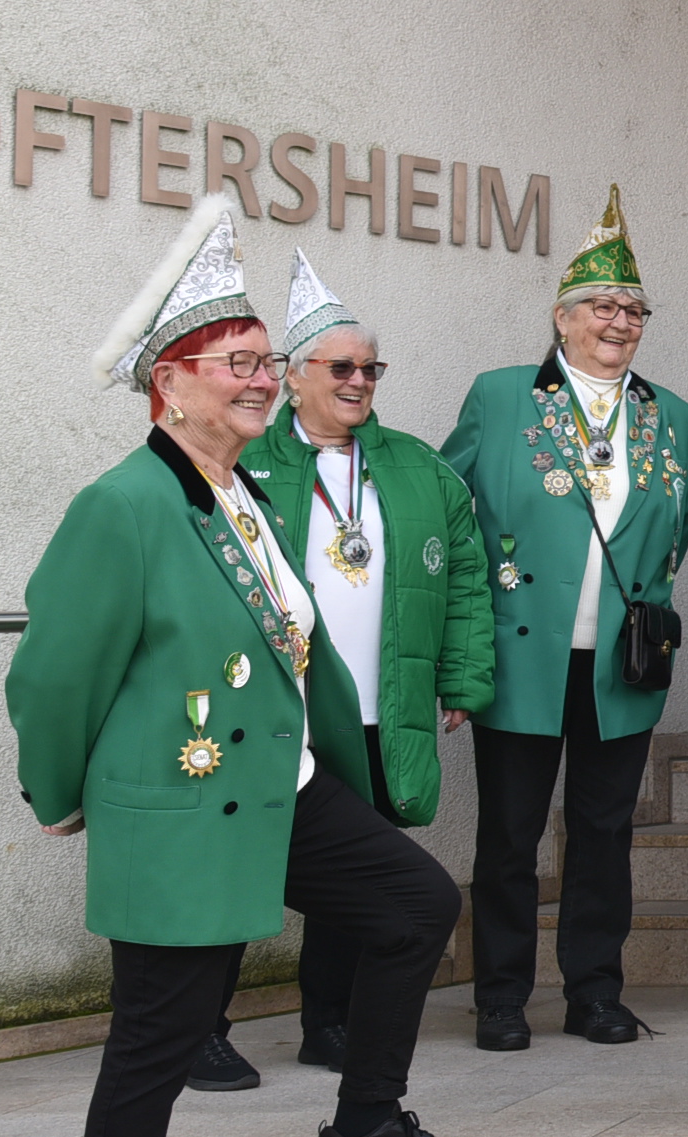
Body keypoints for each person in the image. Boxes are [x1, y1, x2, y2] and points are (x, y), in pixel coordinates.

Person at [13, 195, 478, 1137]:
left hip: (282, 788)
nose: (263, 379)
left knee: (415, 903)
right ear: (170, 383)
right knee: (156, 1042)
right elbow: (52, 675)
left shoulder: (243, 491)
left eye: (268, 360)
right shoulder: (124, 505)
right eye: (239, 362)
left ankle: (363, 1125)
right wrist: (58, 792)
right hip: (182, 808)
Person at [204, 251, 494, 1080]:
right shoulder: (244, 462)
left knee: (352, 877)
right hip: (272, 714)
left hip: (374, 707)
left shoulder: (417, 465)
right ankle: (200, 1028)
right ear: (293, 377)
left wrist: (463, 677)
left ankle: (328, 1022)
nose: (360, 381)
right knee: (237, 863)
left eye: (371, 368)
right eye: (342, 367)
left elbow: (466, 573)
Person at [443, 186, 688, 1052]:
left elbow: (676, 529)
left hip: (620, 664)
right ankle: (500, 998)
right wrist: (461, 641)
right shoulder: (502, 396)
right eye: (602, 306)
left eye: (634, 309)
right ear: (562, 317)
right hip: (521, 656)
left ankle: (595, 993)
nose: (619, 322)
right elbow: (451, 509)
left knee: (603, 835)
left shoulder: (673, 416)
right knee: (509, 837)